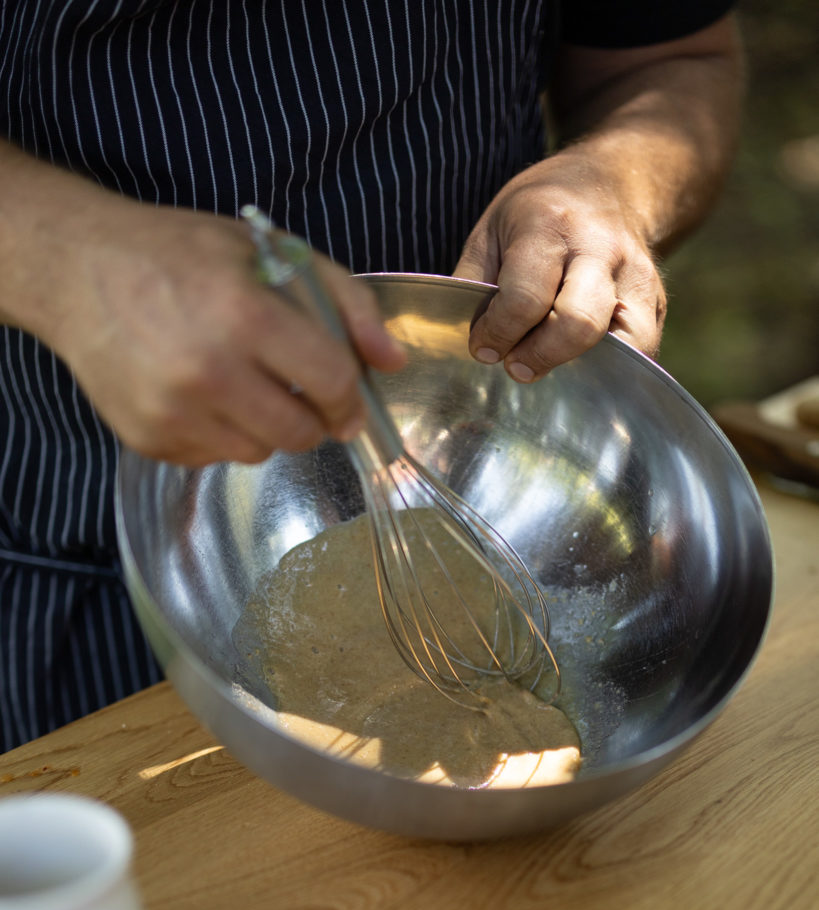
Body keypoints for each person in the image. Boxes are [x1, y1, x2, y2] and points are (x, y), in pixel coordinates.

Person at [0, 1, 744, 751]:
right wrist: (64, 258)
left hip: (501, 478)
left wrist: (613, 179)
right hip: (87, 569)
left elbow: (669, 60)